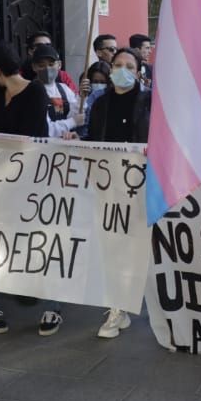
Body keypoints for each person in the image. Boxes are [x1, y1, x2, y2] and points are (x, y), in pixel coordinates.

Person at [0, 41, 55, 334]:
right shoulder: (0, 91)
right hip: (3, 181)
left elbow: (28, 136)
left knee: (41, 242)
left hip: (34, 180)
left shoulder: (35, 92)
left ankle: (52, 306)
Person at [84, 47, 151, 339]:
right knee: (112, 246)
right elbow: (93, 137)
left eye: (129, 66)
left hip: (142, 185)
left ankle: (135, 303)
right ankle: (117, 306)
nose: (123, 70)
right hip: (108, 184)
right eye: (117, 65)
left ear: (138, 72)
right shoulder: (100, 103)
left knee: (140, 248)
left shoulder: (150, 102)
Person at [29, 43, 82, 140]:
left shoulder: (64, 89)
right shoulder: (31, 92)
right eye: (41, 65)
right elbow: (45, 128)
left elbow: (76, 113)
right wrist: (72, 122)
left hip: (65, 145)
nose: (47, 69)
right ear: (34, 67)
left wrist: (82, 97)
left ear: (59, 65)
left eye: (51, 64)